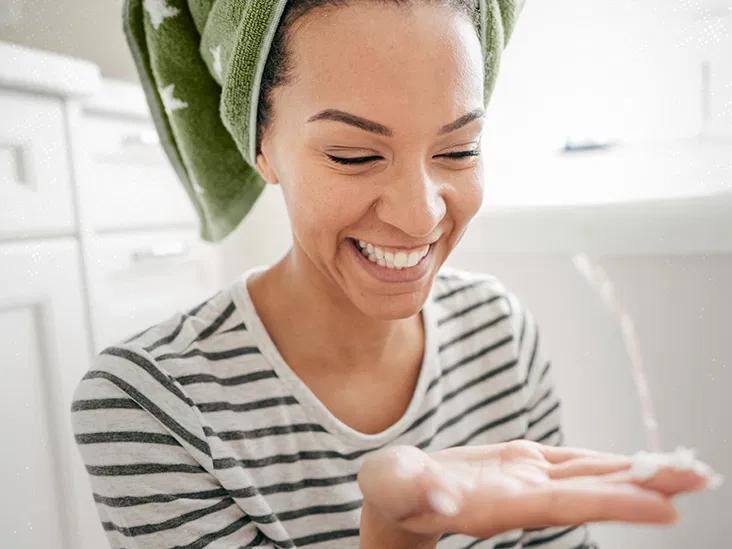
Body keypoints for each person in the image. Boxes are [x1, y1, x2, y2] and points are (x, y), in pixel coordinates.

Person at [69, 1, 713, 548]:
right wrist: (396, 534)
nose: (419, 214)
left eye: (459, 150)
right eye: (355, 155)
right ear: (261, 145)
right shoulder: (149, 404)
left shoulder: (500, 332)